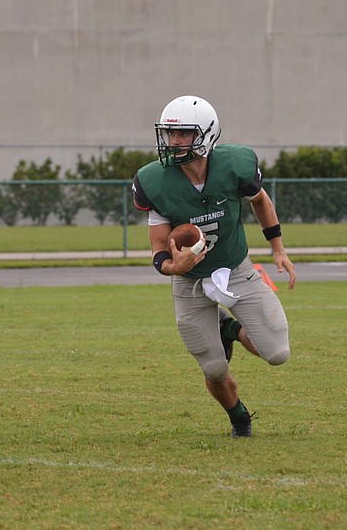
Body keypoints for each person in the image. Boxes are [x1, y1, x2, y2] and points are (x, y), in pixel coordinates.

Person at [132, 95, 296, 438]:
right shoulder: (154, 181)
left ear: (206, 134)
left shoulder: (236, 164)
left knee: (278, 353)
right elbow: (159, 249)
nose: (173, 142)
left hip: (235, 267)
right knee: (214, 366)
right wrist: (173, 268)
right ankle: (239, 418)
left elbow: (260, 200)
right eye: (169, 134)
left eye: (183, 135)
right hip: (189, 281)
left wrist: (278, 248)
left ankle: (228, 328)